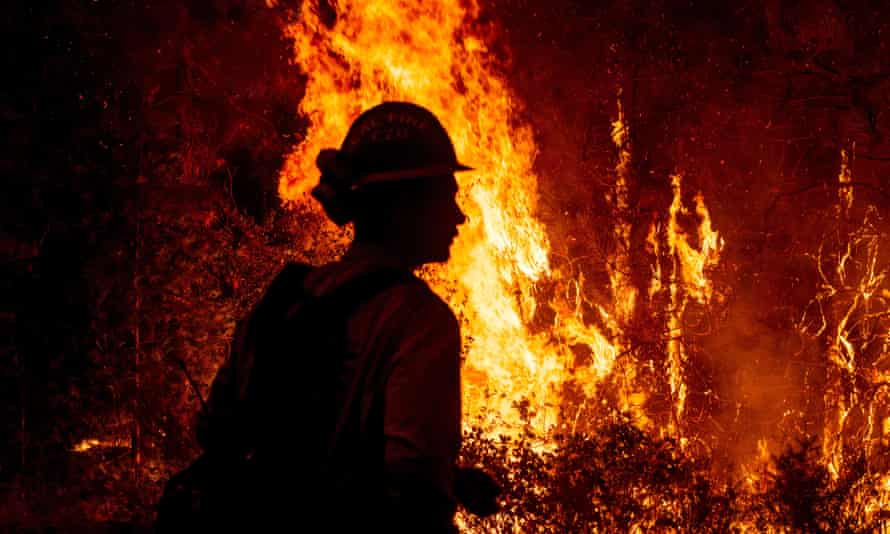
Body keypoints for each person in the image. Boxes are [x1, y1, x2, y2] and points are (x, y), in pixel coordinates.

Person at [175, 102, 474, 533]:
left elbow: (217, 427)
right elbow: (415, 491)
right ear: (403, 208)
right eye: (446, 197)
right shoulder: (421, 322)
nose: (459, 216)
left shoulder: (288, 295)